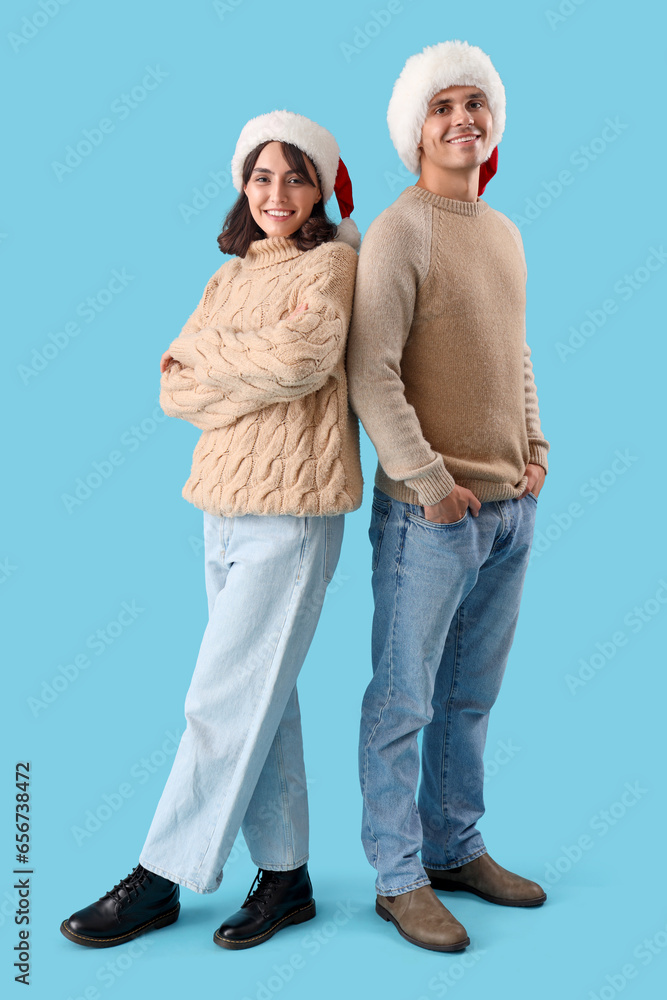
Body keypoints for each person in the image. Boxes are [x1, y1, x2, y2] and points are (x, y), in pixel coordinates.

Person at [60, 110, 363, 951]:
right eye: (262, 176)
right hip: (220, 503)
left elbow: (303, 360)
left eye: (295, 177)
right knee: (265, 698)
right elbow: (171, 387)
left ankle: (159, 878)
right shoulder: (226, 278)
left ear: (319, 189)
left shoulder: (335, 264)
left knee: (222, 698)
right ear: (243, 183)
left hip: (293, 511)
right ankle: (287, 876)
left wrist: (218, 362)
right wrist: (238, 365)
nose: (276, 193)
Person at [346, 40, 550, 953]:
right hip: (428, 519)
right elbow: (370, 373)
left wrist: (535, 447)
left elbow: (515, 353)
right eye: (443, 106)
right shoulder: (399, 231)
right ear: (414, 130)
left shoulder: (502, 230)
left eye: (476, 103)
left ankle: (455, 846)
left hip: (510, 510)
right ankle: (397, 877)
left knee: (469, 697)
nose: (462, 117)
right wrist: (428, 486)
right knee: (404, 701)